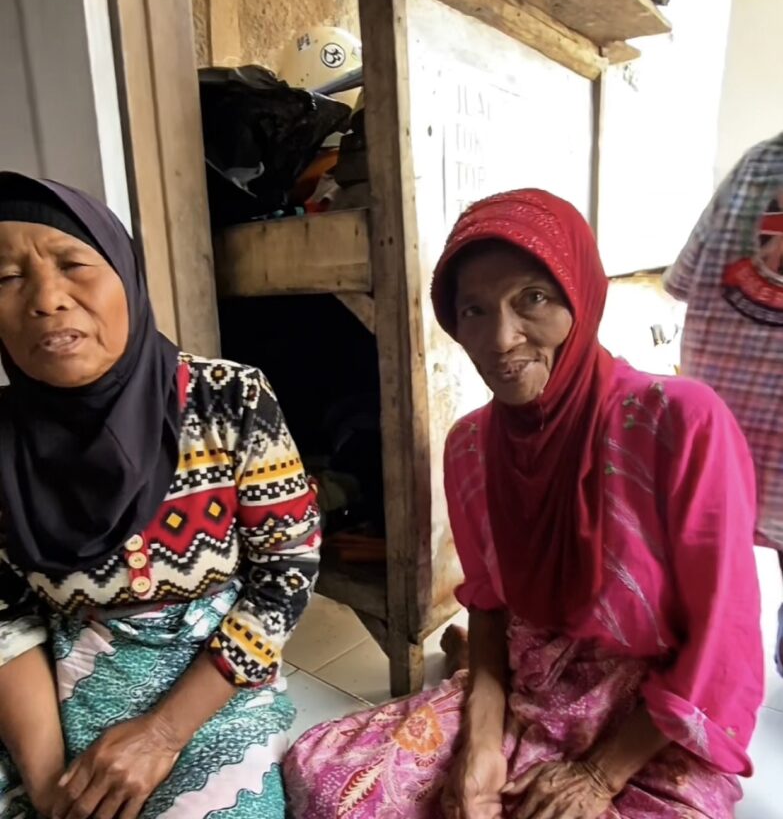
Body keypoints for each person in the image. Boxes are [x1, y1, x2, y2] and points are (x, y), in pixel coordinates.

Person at [284, 188, 763, 819]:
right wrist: (480, 747)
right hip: (528, 686)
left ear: (579, 296)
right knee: (322, 779)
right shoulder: (471, 447)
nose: (501, 338)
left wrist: (597, 776)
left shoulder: (678, 423)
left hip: (653, 717)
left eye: (532, 298)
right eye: (474, 311)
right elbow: (490, 608)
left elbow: (723, 633)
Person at [0, 172, 320, 819]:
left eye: (73, 265)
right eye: (6, 278)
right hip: (54, 680)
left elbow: (286, 572)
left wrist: (162, 735)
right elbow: (6, 619)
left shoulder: (230, 398)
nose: (46, 300)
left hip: (212, 678)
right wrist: (50, 789)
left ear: (126, 275)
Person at [664, 132, 783, 675]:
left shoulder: (758, 165)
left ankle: (704, 676)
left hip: (719, 444)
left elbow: (682, 281)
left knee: (705, 579)